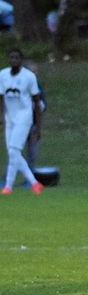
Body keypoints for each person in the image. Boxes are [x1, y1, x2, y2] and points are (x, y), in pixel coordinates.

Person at [0, 48, 43, 195]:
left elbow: (37, 102)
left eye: (17, 58)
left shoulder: (29, 77)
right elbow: (1, 97)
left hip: (24, 118)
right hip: (9, 119)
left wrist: (38, 127)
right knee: (13, 152)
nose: (14, 60)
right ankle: (35, 183)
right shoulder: (3, 75)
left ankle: (8, 187)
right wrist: (1, 116)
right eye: (11, 58)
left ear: (21, 60)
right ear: (8, 59)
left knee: (13, 151)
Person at [23, 60, 46, 171]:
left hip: (33, 125)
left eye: (35, 72)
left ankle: (29, 178)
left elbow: (42, 105)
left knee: (32, 154)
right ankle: (6, 179)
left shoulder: (37, 88)